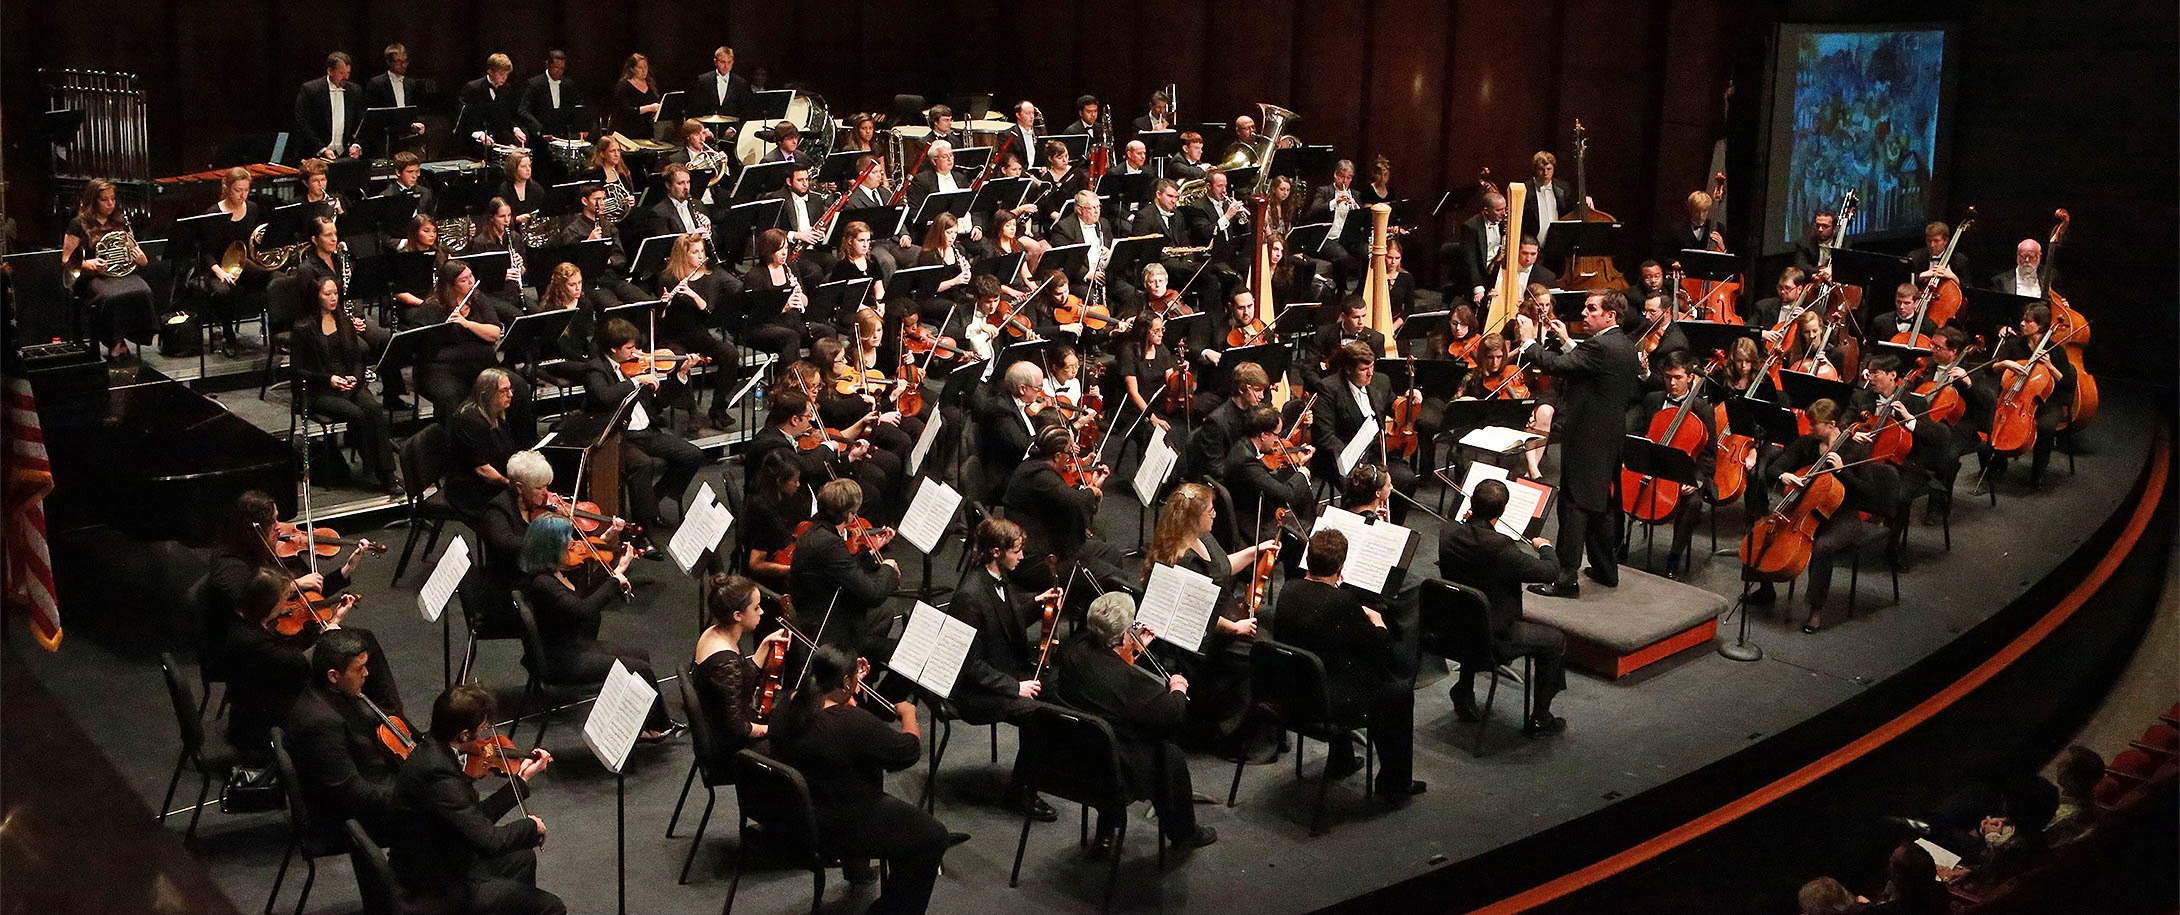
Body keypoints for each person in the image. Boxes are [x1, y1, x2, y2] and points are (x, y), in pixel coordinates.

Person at [770, 645, 953, 914]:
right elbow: (906, 752)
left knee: (904, 826)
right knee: (933, 836)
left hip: (794, 816)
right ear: (845, 682)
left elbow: (836, 736)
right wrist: (909, 715)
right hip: (835, 823)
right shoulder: (849, 722)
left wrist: (849, 687)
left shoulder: (787, 704)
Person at [1049, 593, 1218, 852]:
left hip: (1069, 757)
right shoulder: (1131, 684)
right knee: (1169, 756)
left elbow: (1107, 684)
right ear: (1125, 634)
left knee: (1114, 727)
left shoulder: (1073, 651)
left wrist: (1130, 651)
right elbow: (1171, 715)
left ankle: (1108, 825)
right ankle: (1184, 834)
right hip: (1111, 769)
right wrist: (1178, 688)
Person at [1273, 530, 1424, 802]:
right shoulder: (1342, 603)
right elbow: (1381, 649)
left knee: (1334, 663)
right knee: (1399, 694)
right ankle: (1394, 782)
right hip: (1326, 702)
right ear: (1341, 565)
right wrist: (1377, 622)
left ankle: (1341, 759)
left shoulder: (1288, 589)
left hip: (1289, 692)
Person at [390, 684, 562, 915]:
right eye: (481, 728)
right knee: (551, 908)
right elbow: (490, 841)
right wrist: (532, 826)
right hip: (434, 883)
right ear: (464, 734)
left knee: (522, 858)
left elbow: (471, 817)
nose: (484, 735)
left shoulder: (434, 748)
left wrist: (522, 778)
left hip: (441, 855)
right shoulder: (437, 774)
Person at [1514, 290, 1640, 597]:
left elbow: (1556, 365)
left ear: (1610, 315)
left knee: (1573, 507)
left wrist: (1529, 341)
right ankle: (1606, 569)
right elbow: (1587, 366)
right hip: (1609, 437)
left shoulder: (1599, 346)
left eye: (1591, 308)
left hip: (1587, 439)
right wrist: (1569, 342)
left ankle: (1565, 579)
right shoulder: (1622, 344)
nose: (1584, 312)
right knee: (1599, 505)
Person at [515, 516, 676, 737]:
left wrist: (613, 561)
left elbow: (585, 595)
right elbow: (583, 611)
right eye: (566, 541)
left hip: (571, 645)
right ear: (551, 547)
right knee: (641, 669)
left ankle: (636, 723)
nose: (573, 544)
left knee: (640, 655)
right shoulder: (543, 583)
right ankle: (657, 727)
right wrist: (615, 579)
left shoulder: (556, 571)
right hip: (560, 660)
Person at [1143, 483, 1274, 752]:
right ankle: (1227, 732)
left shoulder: (1204, 538)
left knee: (1268, 630)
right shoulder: (1184, 560)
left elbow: (1222, 568)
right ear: (1195, 518)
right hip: (1201, 638)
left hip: (1217, 615)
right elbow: (1197, 614)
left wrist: (1254, 552)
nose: (1215, 514)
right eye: (1211, 510)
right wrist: (1235, 627)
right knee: (1258, 653)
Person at [946, 518, 1062, 821]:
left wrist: (1038, 602)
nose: (1022, 557)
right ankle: (1021, 792)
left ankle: (1044, 768)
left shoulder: (998, 578)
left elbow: (1003, 617)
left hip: (1002, 669)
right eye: (1017, 551)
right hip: (975, 690)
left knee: (1060, 688)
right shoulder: (968, 597)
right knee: (1036, 714)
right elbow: (968, 664)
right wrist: (1015, 688)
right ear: (996, 552)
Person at [1437, 478, 1570, 735]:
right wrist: (1546, 548)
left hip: (1450, 631)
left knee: (1470, 610)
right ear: (1502, 511)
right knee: (1555, 642)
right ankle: (1541, 717)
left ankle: (1463, 689)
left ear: (1472, 504)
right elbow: (1550, 572)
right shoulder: (1502, 549)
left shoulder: (1448, 532)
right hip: (1492, 639)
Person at [1751, 399, 1896, 632]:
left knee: (1822, 548)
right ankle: (1764, 589)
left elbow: (1869, 493)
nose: (1809, 429)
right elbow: (1774, 468)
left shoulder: (1855, 449)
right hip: (1803, 509)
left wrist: (1843, 472)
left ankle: (1815, 610)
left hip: (1842, 515)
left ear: (1831, 424)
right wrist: (1783, 476)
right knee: (1764, 531)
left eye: (1814, 425)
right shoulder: (1807, 444)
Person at [585, 318, 708, 534]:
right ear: (613, 349)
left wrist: (681, 374)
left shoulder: (637, 367)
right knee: (642, 465)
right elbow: (604, 397)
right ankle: (643, 529)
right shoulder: (596, 369)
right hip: (619, 438)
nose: (637, 353)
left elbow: (659, 402)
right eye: (630, 348)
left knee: (692, 454)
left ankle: (654, 500)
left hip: (647, 432)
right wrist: (635, 381)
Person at [281, 629, 405, 839]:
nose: (366, 673)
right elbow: (351, 792)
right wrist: (412, 795)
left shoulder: (334, 691)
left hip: (367, 780)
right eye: (359, 669)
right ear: (333, 675)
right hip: (345, 821)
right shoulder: (321, 722)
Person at [292, 275, 399, 494]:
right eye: (327, 294)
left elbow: (359, 358)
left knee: (374, 409)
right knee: (358, 414)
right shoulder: (303, 328)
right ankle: (372, 470)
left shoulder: (343, 321)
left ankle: (387, 474)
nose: (333, 298)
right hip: (318, 389)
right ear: (316, 296)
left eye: (335, 293)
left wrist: (356, 378)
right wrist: (329, 379)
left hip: (348, 382)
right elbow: (297, 370)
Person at [787, 479, 901, 655]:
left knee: (884, 614)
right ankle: (855, 667)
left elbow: (844, 568)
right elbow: (873, 593)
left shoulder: (816, 532)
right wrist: (888, 567)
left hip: (817, 611)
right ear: (849, 515)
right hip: (828, 629)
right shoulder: (829, 544)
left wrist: (870, 553)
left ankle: (862, 668)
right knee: (894, 651)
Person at [1630, 350, 1713, 578]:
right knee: (1616, 486)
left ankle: (1674, 558)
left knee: (1693, 504)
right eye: (1667, 377)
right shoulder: (1653, 400)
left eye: (1677, 377)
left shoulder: (1702, 409)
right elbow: (1638, 432)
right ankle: (1617, 546)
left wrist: (1695, 480)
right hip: (1653, 465)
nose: (1672, 383)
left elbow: (1708, 455)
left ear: (1689, 377)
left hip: (1687, 472)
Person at [692, 573, 792, 758]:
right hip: (729, 749)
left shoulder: (714, 632)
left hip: (721, 725)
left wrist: (764, 646)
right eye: (756, 608)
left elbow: (740, 681)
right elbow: (738, 728)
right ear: (738, 615)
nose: (761, 612)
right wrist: (772, 730)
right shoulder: (725, 663)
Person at [1980, 303, 2076, 492]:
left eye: (2027, 321)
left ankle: (2037, 473)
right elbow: (1989, 369)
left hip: (2048, 401)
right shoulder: (2014, 345)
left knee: (2045, 426)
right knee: (1989, 420)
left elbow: (2068, 383)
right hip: (2014, 396)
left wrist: (2050, 366)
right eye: (2022, 319)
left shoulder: (2055, 350)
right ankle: (1996, 465)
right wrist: (2005, 363)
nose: (2022, 324)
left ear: (2040, 326)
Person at [655, 233, 745, 430]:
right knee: (682, 361)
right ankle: (692, 412)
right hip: (673, 336)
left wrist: (694, 295)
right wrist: (665, 305)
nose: (700, 256)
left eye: (702, 251)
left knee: (730, 353)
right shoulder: (668, 278)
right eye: (695, 252)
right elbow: (659, 320)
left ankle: (718, 409)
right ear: (683, 255)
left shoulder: (711, 278)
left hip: (699, 334)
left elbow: (709, 313)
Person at [61, 178, 155, 358]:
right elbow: (66, 259)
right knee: (110, 297)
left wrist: (141, 258)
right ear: (93, 200)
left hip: (119, 274)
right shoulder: (78, 224)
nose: (110, 203)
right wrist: (89, 263)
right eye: (104, 199)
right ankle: (115, 341)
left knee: (144, 291)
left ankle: (132, 337)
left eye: (112, 198)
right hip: (92, 276)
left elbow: (133, 248)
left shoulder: (120, 221)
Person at [443, 368, 524, 522]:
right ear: (487, 393)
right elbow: (482, 469)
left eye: (510, 389)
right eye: (503, 391)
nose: (510, 394)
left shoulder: (497, 414)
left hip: (492, 479)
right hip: (470, 489)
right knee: (522, 507)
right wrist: (511, 485)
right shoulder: (470, 420)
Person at [294, 52, 364, 161]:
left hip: (345, 154)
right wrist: (322, 149)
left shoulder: (355, 90)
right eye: (341, 73)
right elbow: (302, 123)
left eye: (348, 73)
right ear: (330, 71)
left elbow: (360, 122)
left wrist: (356, 145)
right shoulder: (311, 90)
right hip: (315, 155)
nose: (346, 77)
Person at [515, 50, 583, 143]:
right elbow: (523, 110)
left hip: (562, 136)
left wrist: (580, 126)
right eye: (556, 68)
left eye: (562, 69)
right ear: (547, 64)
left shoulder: (568, 84)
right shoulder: (534, 84)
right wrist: (540, 129)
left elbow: (578, 106)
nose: (559, 72)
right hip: (539, 138)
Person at [610, 53, 663, 137]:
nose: (644, 70)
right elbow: (624, 111)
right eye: (640, 68)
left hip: (647, 130)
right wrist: (649, 108)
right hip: (627, 130)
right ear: (632, 69)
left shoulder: (651, 84)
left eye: (645, 67)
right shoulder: (623, 86)